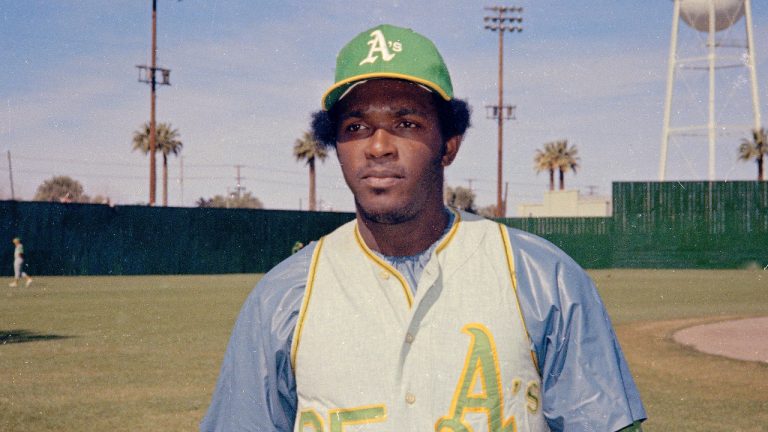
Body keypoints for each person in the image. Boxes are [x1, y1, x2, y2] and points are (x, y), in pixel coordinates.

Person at [201, 24, 646, 431]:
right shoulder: (283, 297)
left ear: (448, 144)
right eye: (356, 126)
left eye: (406, 123)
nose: (378, 147)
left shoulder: (541, 276)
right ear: (336, 146)